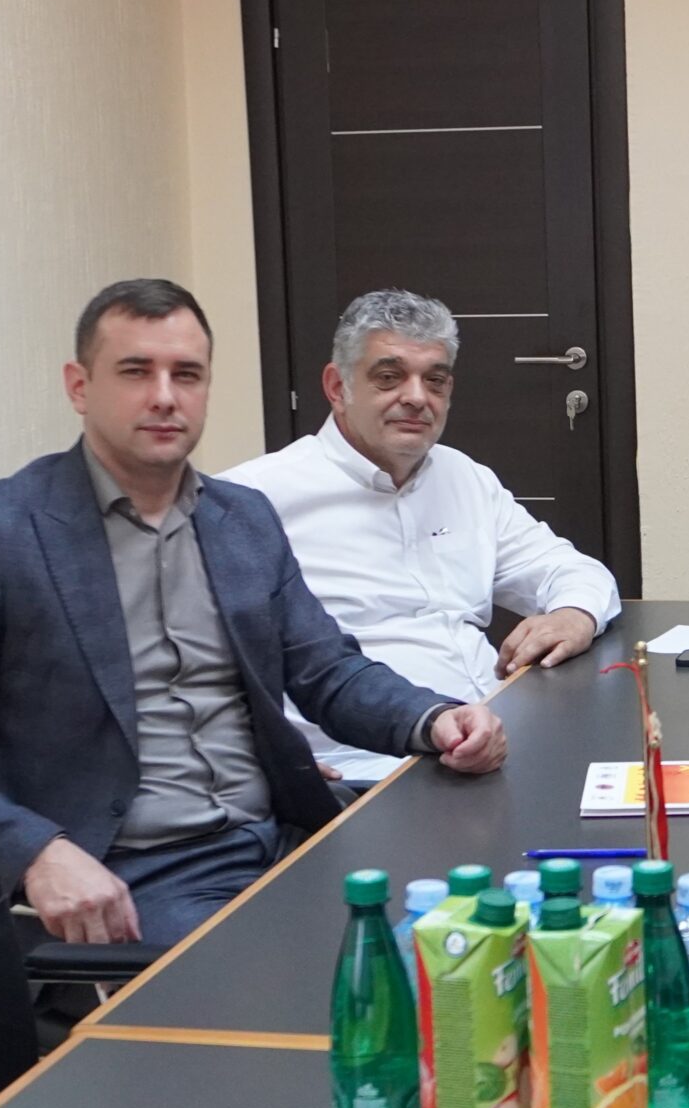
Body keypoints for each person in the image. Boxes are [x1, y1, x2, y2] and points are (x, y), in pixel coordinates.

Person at [0, 280, 506, 947]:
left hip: (287, 834)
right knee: (350, 989)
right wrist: (35, 853)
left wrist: (433, 718)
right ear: (80, 387)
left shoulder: (242, 519)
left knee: (473, 932)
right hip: (137, 872)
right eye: (136, 371)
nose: (165, 396)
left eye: (187, 374)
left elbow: (327, 670)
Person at [223, 289, 621, 781]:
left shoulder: (464, 477)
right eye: (389, 377)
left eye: (435, 380)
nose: (416, 397)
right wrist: (263, 759)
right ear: (337, 386)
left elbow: (572, 570)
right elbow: (198, 666)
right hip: (368, 769)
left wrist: (574, 615)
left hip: (504, 737)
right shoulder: (252, 499)